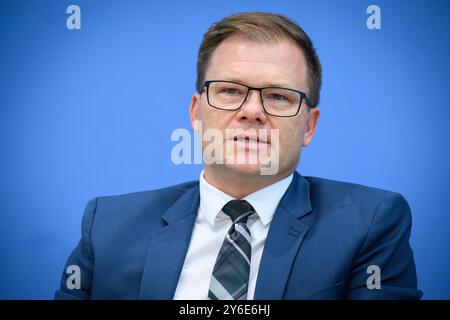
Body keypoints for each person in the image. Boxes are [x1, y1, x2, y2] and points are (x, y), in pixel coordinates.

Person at [55, 12, 422, 300]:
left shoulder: (370, 223)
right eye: (231, 90)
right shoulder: (107, 226)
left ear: (309, 126)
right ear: (197, 113)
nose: (252, 111)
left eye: (279, 96)